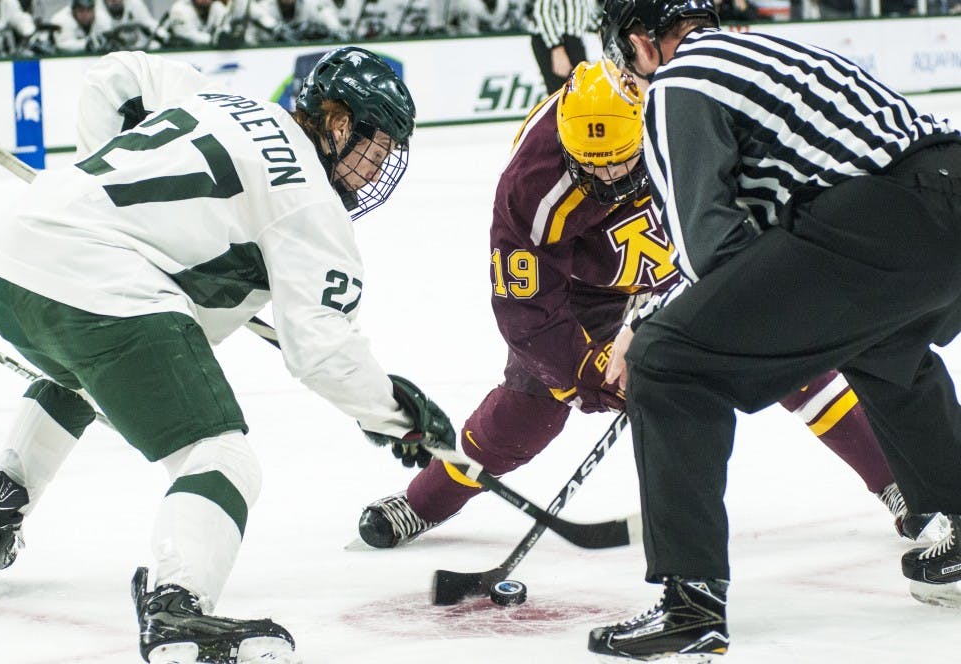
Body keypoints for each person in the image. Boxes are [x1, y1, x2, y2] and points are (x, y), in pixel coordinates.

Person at [0, 47, 455, 664]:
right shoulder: (311, 205)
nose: (376, 168)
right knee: (221, 457)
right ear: (335, 124)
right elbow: (321, 352)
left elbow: (113, 76)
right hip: (95, 283)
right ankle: (177, 608)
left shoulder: (221, 98)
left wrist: (96, 185)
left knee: (81, 381)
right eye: (374, 147)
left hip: (7, 262)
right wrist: (395, 413)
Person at [356, 59, 940, 554]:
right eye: (594, 164)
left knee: (796, 360)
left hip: (693, 246)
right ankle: (424, 501)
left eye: (620, 160)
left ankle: (898, 484)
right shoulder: (530, 186)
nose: (609, 174)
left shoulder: (676, 118)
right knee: (528, 411)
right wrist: (589, 376)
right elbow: (527, 311)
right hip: (592, 284)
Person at [592, 0, 961, 659]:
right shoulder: (769, 53)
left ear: (644, 41)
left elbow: (711, 252)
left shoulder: (681, 81)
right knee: (884, 343)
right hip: (943, 195)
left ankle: (690, 602)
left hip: (884, 216)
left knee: (671, 361)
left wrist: (653, 323)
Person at [528, 0, 596, 94]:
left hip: (573, 38)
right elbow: (542, 11)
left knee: (582, 90)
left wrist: (600, 28)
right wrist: (556, 47)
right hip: (554, 39)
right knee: (561, 94)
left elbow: (580, 9)